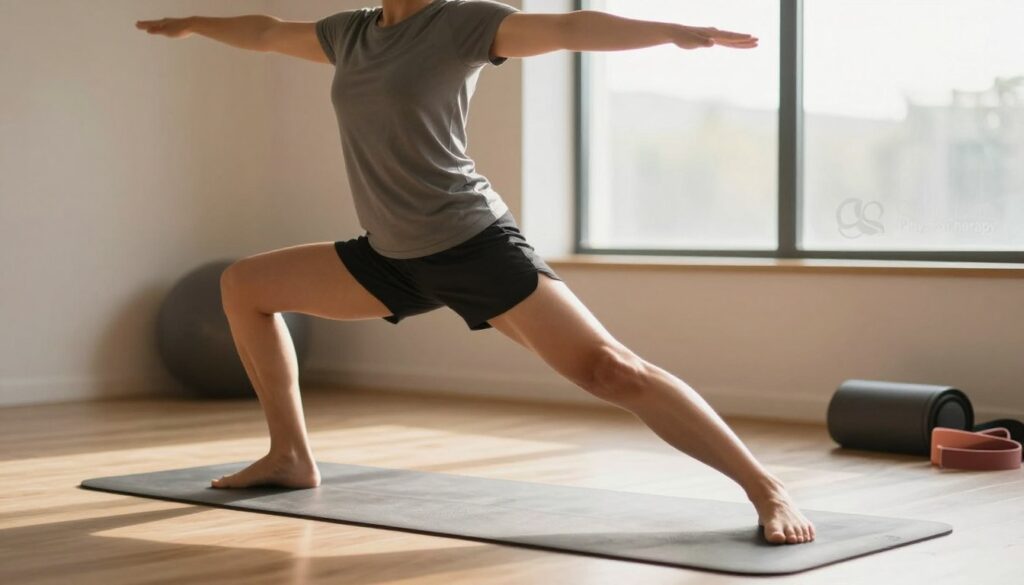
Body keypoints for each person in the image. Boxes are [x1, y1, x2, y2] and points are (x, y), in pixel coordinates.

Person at [136, 0, 815, 545]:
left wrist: (669, 30)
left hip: (472, 243)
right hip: (391, 256)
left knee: (612, 370)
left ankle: (766, 488)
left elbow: (567, 26)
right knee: (244, 285)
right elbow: (266, 31)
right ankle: (289, 455)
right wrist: (196, 23)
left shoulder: (460, 23)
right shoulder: (350, 35)